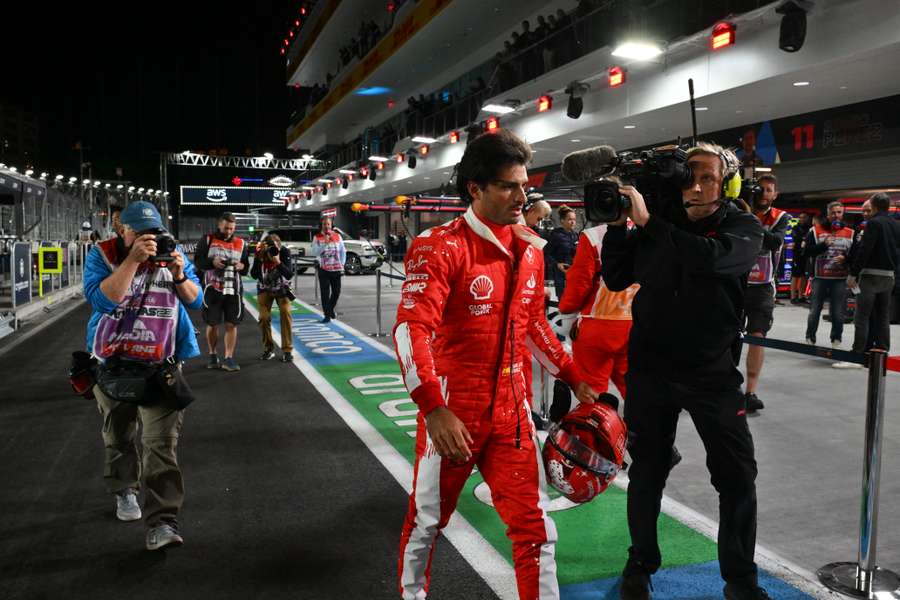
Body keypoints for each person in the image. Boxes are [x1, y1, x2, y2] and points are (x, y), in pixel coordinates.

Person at [394, 129, 597, 600]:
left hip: (513, 414)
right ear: (476, 188)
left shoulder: (529, 248)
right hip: (454, 414)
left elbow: (532, 324)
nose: (521, 197)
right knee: (427, 521)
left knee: (536, 531)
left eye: (524, 185)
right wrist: (434, 407)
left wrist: (572, 375)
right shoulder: (439, 245)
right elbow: (411, 331)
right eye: (509, 186)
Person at [601, 142, 766, 600]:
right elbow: (616, 277)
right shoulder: (663, 222)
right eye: (688, 175)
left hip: (712, 374)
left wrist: (651, 223)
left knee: (736, 477)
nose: (694, 185)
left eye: (707, 177)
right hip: (651, 371)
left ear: (727, 183)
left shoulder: (741, 225)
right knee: (647, 471)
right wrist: (619, 229)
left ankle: (740, 580)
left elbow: (711, 260)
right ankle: (641, 562)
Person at [82, 201, 202, 550]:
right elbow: (104, 300)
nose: (149, 239)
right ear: (122, 230)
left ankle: (163, 522)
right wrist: (132, 260)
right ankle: (124, 491)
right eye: (139, 233)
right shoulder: (101, 255)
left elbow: (196, 301)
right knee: (119, 437)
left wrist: (178, 274)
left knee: (160, 446)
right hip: (112, 364)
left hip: (160, 366)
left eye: (154, 232)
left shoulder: (172, 253)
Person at [558, 221, 639, 398]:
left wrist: (565, 309)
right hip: (637, 325)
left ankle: (593, 422)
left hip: (597, 326)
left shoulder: (594, 236)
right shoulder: (652, 231)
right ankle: (640, 425)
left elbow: (579, 284)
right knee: (635, 393)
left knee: (591, 392)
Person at [742, 174, 790, 413]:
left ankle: (750, 391)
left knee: (757, 336)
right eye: (760, 189)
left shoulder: (781, 217)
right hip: (735, 283)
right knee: (724, 334)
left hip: (762, 287)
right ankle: (723, 385)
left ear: (775, 194)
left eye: (769, 190)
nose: (764, 193)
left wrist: (748, 222)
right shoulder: (737, 209)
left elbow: (774, 242)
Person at [843, 193, 900, 358]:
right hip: (889, 276)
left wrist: (853, 273)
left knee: (861, 315)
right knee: (883, 316)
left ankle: (858, 351)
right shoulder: (895, 225)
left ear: (874, 206)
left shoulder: (873, 223)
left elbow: (865, 249)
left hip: (870, 276)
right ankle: (883, 350)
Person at [193, 212, 249, 371]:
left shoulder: (241, 243)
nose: (229, 231)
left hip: (234, 289)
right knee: (213, 324)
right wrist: (212, 262)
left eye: (231, 228)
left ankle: (228, 358)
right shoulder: (207, 240)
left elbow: (245, 268)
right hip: (213, 289)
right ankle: (212, 354)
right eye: (226, 228)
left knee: (232, 324)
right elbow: (198, 262)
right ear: (219, 225)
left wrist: (241, 266)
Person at [804, 201, 853, 347]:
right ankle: (810, 337)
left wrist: (846, 258)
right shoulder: (814, 230)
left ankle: (836, 340)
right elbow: (806, 251)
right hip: (820, 277)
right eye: (833, 213)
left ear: (842, 214)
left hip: (840, 279)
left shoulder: (851, 232)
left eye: (839, 212)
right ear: (828, 214)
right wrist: (823, 245)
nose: (836, 215)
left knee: (838, 312)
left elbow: (856, 255)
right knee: (814, 310)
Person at [250, 233, 294, 363]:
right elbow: (253, 275)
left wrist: (278, 262)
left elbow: (289, 274)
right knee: (263, 318)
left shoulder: (284, 251)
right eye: (271, 248)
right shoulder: (261, 253)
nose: (273, 251)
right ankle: (268, 348)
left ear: (279, 246)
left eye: (276, 248)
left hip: (282, 288)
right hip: (265, 288)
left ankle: (287, 350)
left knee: (286, 313)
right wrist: (259, 258)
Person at [311, 216, 345, 323]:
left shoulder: (337, 236)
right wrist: (325, 243)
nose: (326, 226)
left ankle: (330, 310)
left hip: (336, 269)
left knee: (336, 292)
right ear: (321, 225)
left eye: (328, 224)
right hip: (324, 269)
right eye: (324, 224)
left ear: (331, 225)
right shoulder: (317, 237)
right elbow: (315, 253)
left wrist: (342, 264)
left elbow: (342, 251)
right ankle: (327, 315)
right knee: (325, 293)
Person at [547, 205, 579, 300]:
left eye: (574, 219)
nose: (573, 222)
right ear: (562, 220)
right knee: (563, 300)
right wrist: (557, 264)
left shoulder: (576, 235)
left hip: (574, 273)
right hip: (560, 274)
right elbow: (547, 254)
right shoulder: (555, 235)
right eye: (569, 219)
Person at [789, 212, 812, 304]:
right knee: (795, 275)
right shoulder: (795, 228)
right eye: (800, 217)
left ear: (807, 218)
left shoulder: (809, 228)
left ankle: (801, 296)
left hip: (806, 254)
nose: (802, 219)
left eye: (804, 217)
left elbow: (809, 239)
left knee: (803, 276)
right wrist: (803, 239)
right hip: (797, 254)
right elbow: (797, 238)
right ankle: (793, 297)